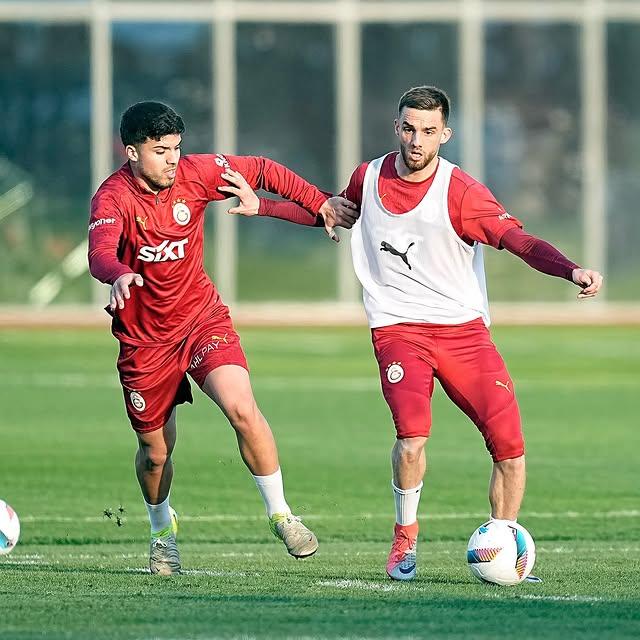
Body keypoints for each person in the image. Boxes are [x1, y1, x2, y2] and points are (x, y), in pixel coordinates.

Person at [222, 85, 604, 581]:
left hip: (464, 331)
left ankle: (502, 539)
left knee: (510, 446)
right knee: (411, 439)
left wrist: (571, 270)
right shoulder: (369, 175)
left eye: (428, 130)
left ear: (445, 134)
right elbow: (333, 213)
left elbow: (519, 240)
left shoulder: (463, 192)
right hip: (398, 328)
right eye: (408, 127)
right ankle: (405, 538)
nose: (416, 139)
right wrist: (264, 207)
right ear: (396, 127)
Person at [87, 101, 358, 576]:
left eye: (175, 148)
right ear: (131, 153)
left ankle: (282, 515)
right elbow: (99, 254)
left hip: (201, 320)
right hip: (145, 343)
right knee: (156, 454)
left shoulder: (197, 172)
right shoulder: (112, 199)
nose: (172, 159)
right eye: (159, 151)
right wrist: (120, 274)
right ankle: (161, 531)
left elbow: (265, 170)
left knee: (241, 407)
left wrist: (318, 202)